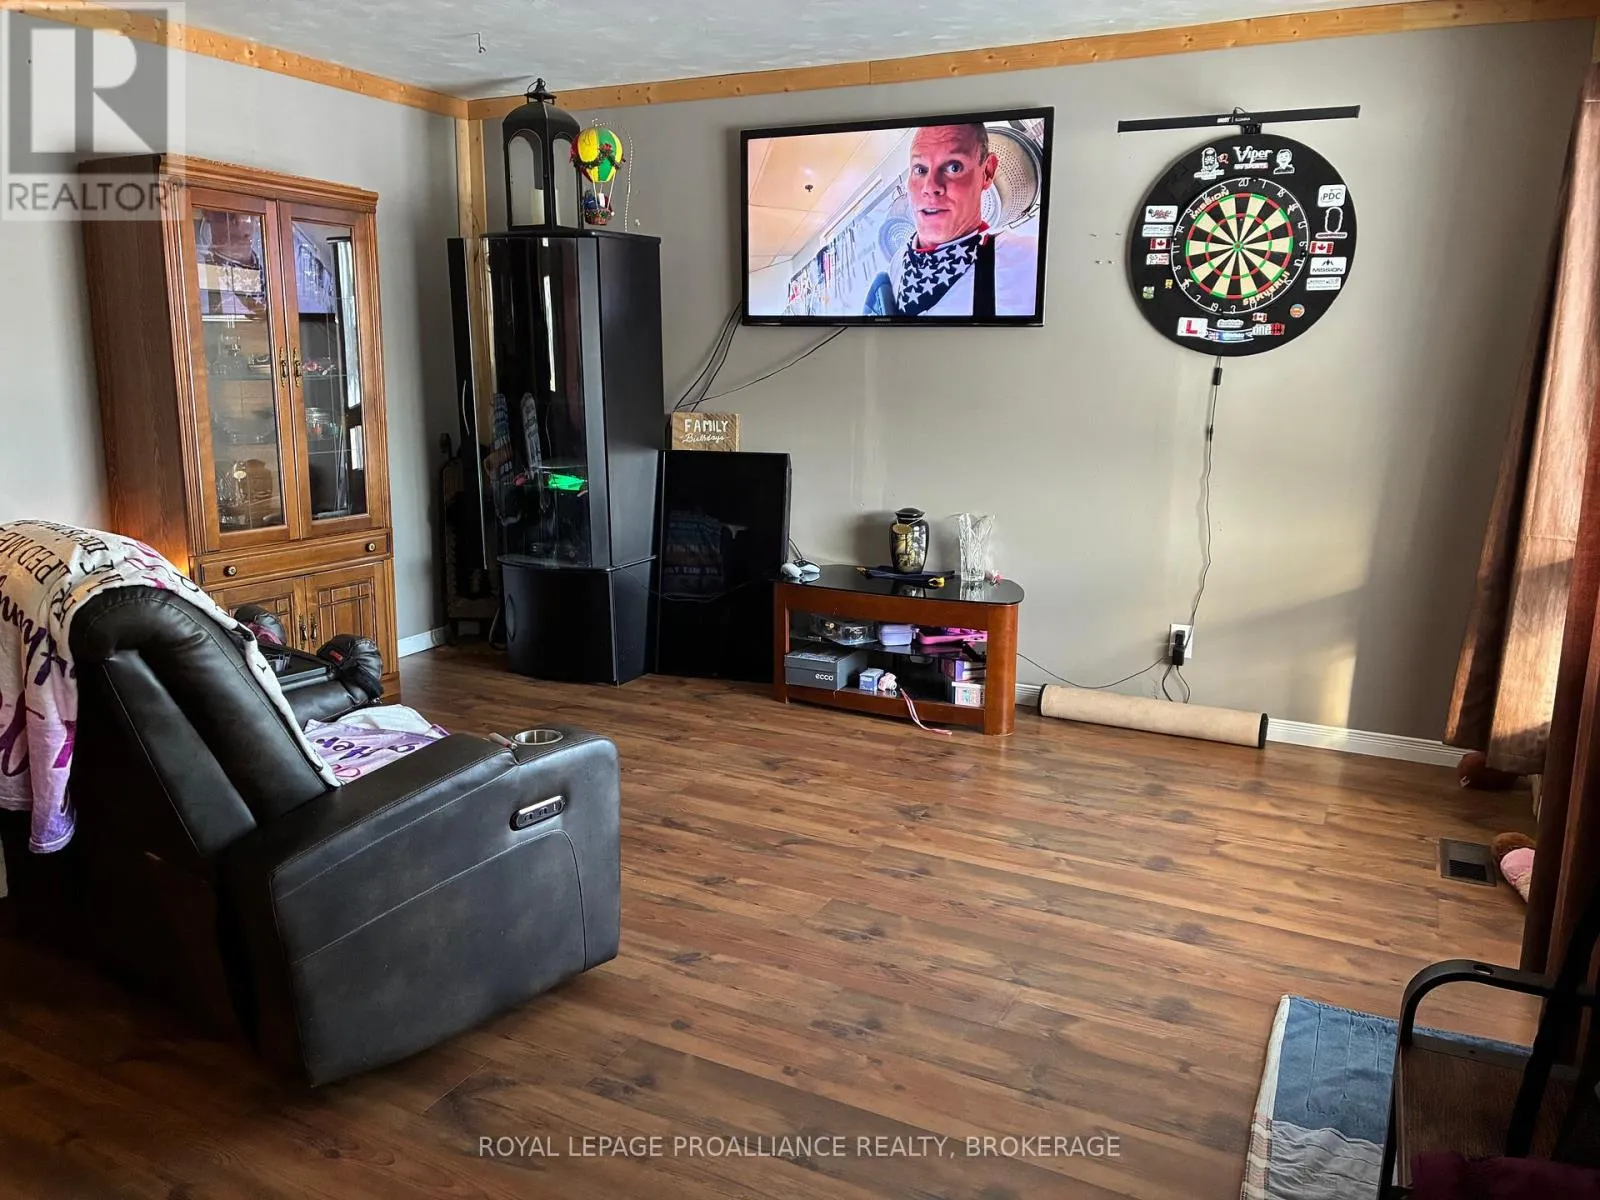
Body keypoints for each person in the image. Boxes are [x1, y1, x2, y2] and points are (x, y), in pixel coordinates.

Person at [862, 123, 1039, 318]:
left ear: (987, 172)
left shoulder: (1028, 264)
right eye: (920, 169)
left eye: (954, 167)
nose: (930, 187)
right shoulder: (899, 262)